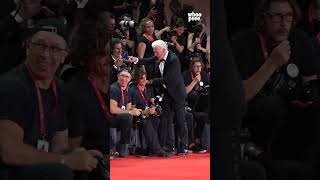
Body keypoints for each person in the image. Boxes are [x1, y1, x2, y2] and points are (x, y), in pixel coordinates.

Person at [0, 18, 103, 180]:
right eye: (40, 45)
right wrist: (65, 160)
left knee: (92, 168)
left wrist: (78, 155)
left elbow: (59, 146)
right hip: (10, 169)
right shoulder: (12, 86)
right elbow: (9, 152)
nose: (45, 54)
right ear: (27, 48)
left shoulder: (59, 87)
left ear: (64, 56)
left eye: (54, 49)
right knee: (60, 173)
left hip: (38, 165)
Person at [231, 0, 320, 178]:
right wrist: (272, 63)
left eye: (288, 16)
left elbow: (312, 85)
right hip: (252, 120)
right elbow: (238, 98)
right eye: (277, 16)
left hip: (290, 124)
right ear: (263, 18)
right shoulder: (244, 42)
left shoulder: (298, 39)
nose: (284, 22)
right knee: (272, 104)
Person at [63, 14, 111, 180]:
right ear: (84, 58)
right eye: (101, 54)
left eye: (109, 52)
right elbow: (73, 151)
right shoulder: (75, 91)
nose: (108, 59)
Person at [128, 39, 188, 155]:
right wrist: (136, 60)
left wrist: (150, 81)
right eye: (154, 52)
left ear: (163, 50)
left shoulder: (174, 59)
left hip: (177, 94)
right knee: (166, 119)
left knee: (180, 120)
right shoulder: (159, 56)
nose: (154, 54)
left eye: (156, 52)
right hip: (167, 94)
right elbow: (147, 60)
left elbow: (168, 79)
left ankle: (183, 146)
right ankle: (168, 146)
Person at [130, 67, 171, 157]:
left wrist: (154, 108)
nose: (144, 80)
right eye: (142, 78)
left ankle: (159, 147)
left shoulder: (148, 88)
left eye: (145, 78)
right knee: (147, 122)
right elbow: (131, 110)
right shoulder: (133, 90)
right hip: (138, 115)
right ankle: (156, 150)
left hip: (149, 113)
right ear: (137, 79)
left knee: (162, 119)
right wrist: (145, 112)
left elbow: (151, 102)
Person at [109, 68, 142, 158]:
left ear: (130, 79)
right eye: (122, 76)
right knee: (128, 116)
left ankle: (124, 146)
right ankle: (113, 147)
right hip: (111, 117)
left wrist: (138, 111)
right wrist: (131, 112)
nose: (124, 78)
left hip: (120, 118)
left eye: (127, 77)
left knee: (130, 117)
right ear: (117, 76)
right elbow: (112, 109)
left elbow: (128, 107)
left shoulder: (129, 90)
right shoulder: (113, 88)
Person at [182, 56, 209, 153]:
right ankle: (190, 143)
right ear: (192, 67)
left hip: (200, 104)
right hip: (187, 103)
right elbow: (184, 92)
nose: (198, 69)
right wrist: (194, 82)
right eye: (196, 66)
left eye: (200, 66)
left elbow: (207, 88)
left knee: (204, 116)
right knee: (193, 95)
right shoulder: (186, 75)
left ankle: (197, 141)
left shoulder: (204, 75)